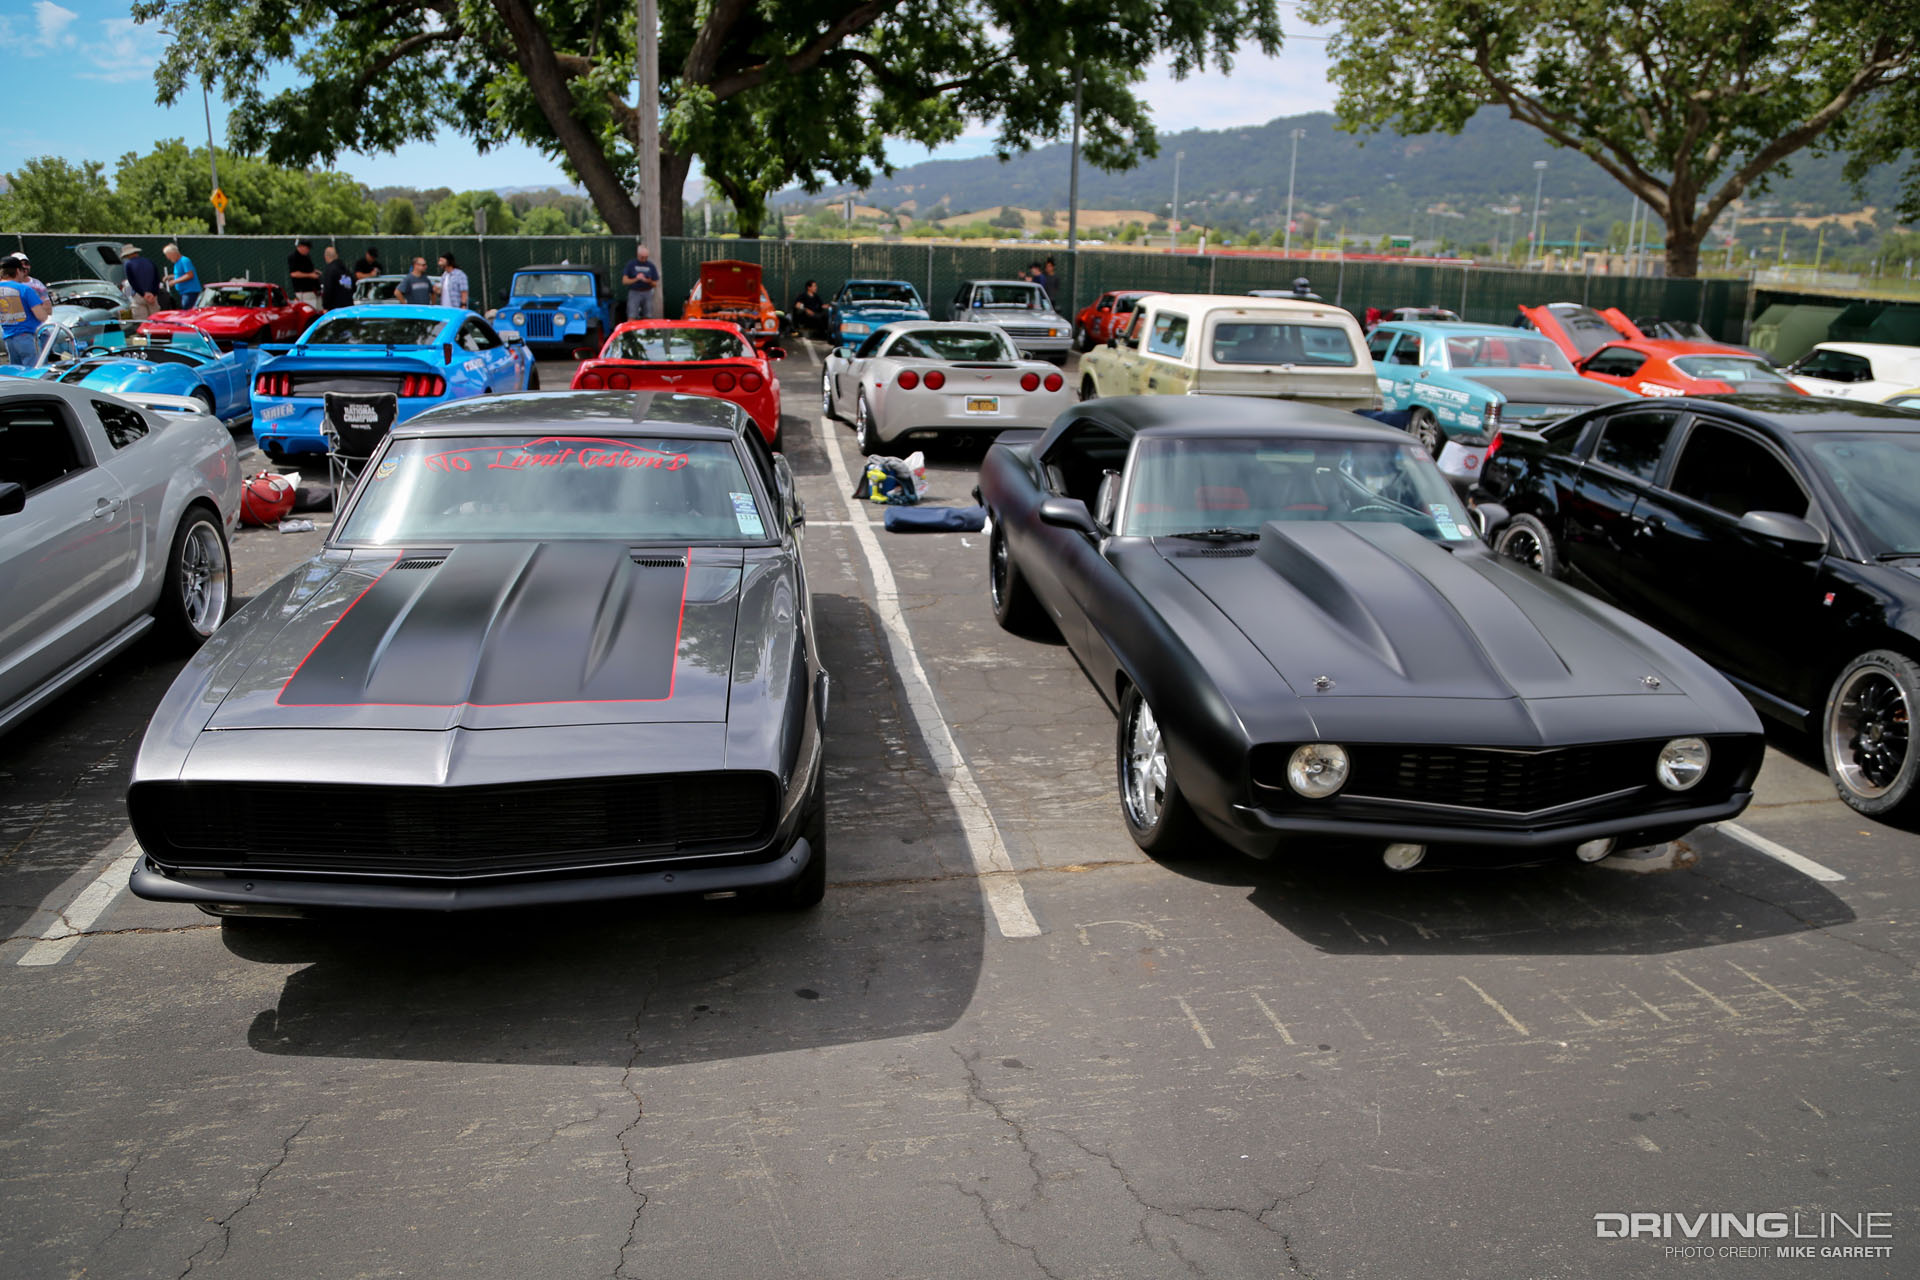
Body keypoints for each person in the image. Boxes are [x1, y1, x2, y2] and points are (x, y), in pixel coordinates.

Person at [0, 258, 50, 367]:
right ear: (18, 271)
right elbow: (42, 316)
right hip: (27, 337)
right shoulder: (24, 289)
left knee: (17, 373)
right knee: (33, 373)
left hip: (8, 338)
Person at [122, 244, 162, 320]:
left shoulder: (128, 264)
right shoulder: (149, 261)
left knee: (142, 320)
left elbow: (132, 282)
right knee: (156, 319)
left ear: (127, 255)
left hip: (139, 296)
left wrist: (143, 294)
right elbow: (157, 278)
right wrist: (153, 293)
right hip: (153, 296)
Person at [621, 244, 659, 320]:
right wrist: (636, 279)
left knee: (648, 315)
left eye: (646, 257)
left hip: (647, 292)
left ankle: (646, 330)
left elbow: (655, 284)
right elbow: (624, 281)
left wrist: (649, 281)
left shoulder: (651, 266)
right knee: (632, 315)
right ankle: (632, 330)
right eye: (642, 257)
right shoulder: (631, 264)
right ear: (638, 255)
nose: (644, 259)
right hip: (634, 292)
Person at [162, 243, 201, 308]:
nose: (168, 258)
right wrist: (170, 277)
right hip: (184, 293)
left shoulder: (184, 260)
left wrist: (174, 281)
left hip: (190, 292)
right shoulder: (177, 263)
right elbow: (180, 274)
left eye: (168, 255)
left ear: (173, 253)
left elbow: (190, 275)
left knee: (187, 312)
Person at [287, 239, 321, 309]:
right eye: (307, 248)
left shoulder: (307, 257)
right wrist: (310, 275)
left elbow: (308, 269)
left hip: (313, 289)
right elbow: (294, 273)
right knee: (309, 309)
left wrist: (315, 272)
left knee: (317, 309)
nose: (308, 250)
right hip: (303, 291)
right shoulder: (294, 257)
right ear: (301, 247)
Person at [321, 246, 354, 311]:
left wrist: (326, 306)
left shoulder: (330, 270)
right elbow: (353, 285)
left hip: (335, 307)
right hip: (348, 304)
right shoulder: (345, 270)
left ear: (326, 257)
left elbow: (328, 289)